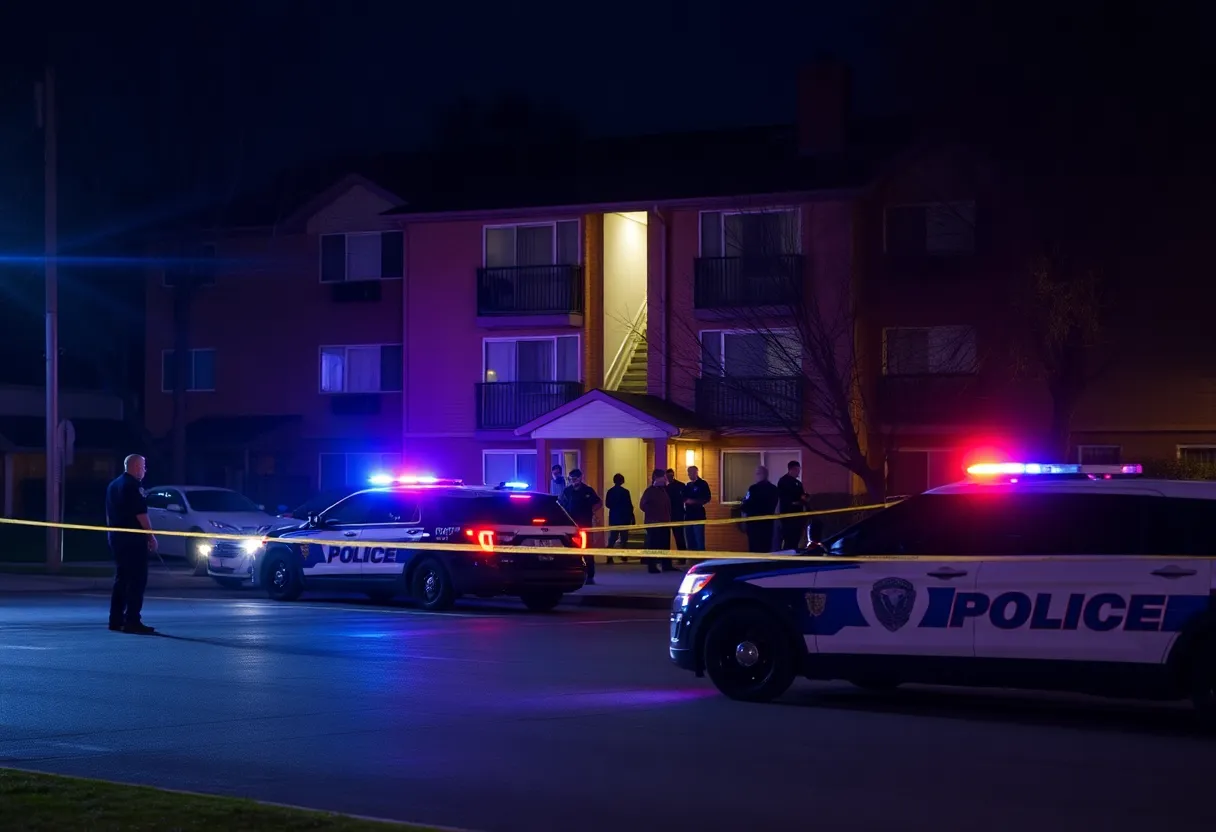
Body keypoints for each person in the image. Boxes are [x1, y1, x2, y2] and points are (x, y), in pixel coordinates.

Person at [105, 454, 157, 634]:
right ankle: (132, 620)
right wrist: (151, 537)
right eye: (143, 466)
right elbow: (140, 515)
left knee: (121, 579)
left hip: (116, 538)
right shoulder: (133, 486)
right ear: (135, 467)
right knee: (136, 580)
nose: (145, 470)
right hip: (133, 539)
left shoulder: (113, 485)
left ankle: (115, 619)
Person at [559, 468, 602, 583]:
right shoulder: (567, 491)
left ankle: (590, 575)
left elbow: (598, 502)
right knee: (570, 550)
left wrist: (592, 511)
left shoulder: (588, 490)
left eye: (575, 478)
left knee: (587, 550)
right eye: (571, 479)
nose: (573, 481)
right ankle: (570, 574)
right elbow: (561, 504)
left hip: (585, 525)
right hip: (571, 525)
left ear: (580, 478)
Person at [639, 469, 674, 573]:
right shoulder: (650, 491)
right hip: (654, 522)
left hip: (665, 522)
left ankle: (666, 565)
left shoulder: (663, 491)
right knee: (653, 544)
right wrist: (653, 513)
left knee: (665, 544)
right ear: (656, 478)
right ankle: (652, 566)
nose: (665, 479)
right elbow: (642, 505)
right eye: (663, 477)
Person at [740, 465, 779, 554]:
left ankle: (755, 567)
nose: (755, 476)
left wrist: (743, 507)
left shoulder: (753, 489)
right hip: (768, 524)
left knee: (755, 549)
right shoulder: (774, 489)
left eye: (757, 473)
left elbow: (746, 505)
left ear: (763, 474)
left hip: (754, 524)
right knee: (766, 548)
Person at [777, 460, 811, 550]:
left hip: (798, 517)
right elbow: (785, 499)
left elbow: (802, 496)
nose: (798, 472)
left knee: (796, 539)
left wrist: (804, 498)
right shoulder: (783, 482)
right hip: (788, 517)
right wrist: (797, 501)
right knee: (789, 540)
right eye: (797, 469)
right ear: (791, 469)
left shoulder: (798, 483)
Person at [604, 473, 635, 563]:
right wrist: (632, 517)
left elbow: (607, 504)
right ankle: (623, 555)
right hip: (624, 517)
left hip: (614, 517)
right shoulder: (625, 492)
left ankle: (609, 556)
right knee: (624, 538)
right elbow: (629, 505)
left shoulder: (610, 491)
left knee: (613, 537)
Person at [682, 465, 711, 552]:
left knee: (699, 541)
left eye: (690, 472)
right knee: (690, 541)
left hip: (698, 516)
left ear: (696, 472)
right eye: (688, 473)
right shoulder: (688, 485)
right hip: (688, 516)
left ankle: (700, 561)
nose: (689, 475)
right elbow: (683, 497)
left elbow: (707, 498)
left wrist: (693, 501)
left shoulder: (703, 484)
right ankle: (692, 562)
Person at [664, 468, 687, 564]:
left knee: (679, 537)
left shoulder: (680, 486)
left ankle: (682, 558)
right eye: (668, 476)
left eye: (671, 475)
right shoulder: (665, 488)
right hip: (669, 515)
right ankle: (669, 559)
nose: (670, 477)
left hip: (676, 515)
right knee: (667, 537)